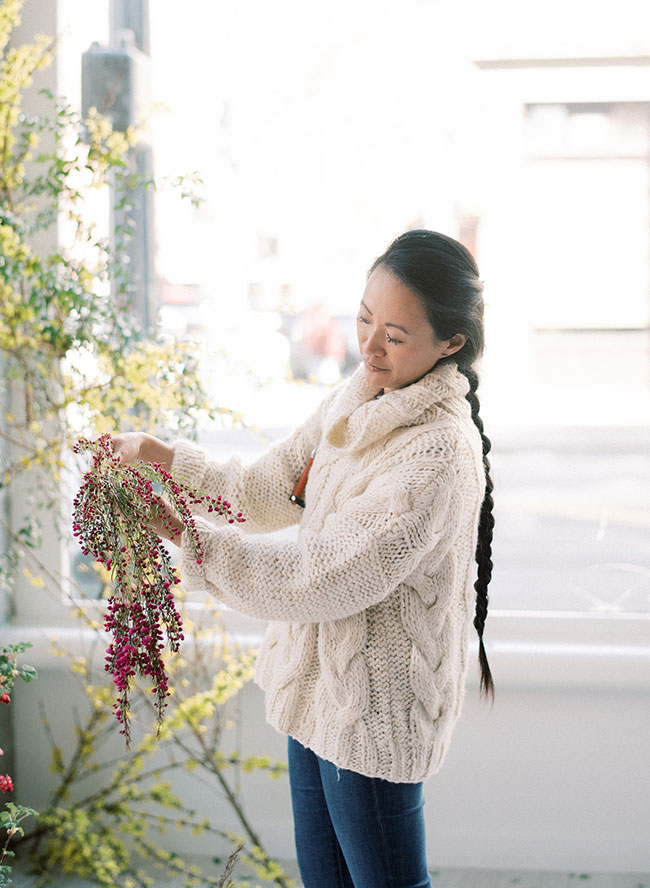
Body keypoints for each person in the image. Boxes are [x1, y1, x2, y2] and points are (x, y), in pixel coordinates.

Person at [111, 229, 495, 888]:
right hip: (314, 697)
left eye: (395, 335)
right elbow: (271, 488)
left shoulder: (438, 454)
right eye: (365, 319)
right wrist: (161, 454)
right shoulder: (361, 396)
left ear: (450, 344)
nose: (369, 346)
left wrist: (184, 534)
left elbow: (325, 575)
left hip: (375, 714)